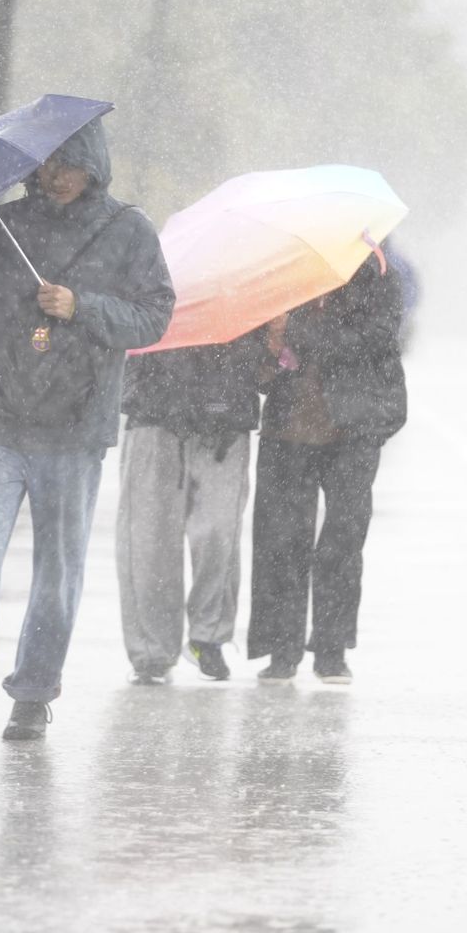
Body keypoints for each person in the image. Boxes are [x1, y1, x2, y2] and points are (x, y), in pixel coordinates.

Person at [0, 117, 174, 745]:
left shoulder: (128, 232)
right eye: (48, 167)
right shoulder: (0, 226)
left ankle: (32, 693)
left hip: (76, 432)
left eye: (69, 166)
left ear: (93, 166)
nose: (56, 178)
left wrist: (83, 307)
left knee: (57, 572)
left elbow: (155, 316)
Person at [248, 251, 407, 685]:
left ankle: (331, 650)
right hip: (288, 428)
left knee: (342, 540)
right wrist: (272, 343)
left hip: (352, 429)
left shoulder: (379, 276)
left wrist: (297, 332)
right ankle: (282, 650)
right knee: (281, 540)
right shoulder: (283, 278)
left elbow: (374, 339)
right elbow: (260, 367)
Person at [116, 338, 260, 683]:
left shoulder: (246, 287)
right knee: (150, 541)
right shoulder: (148, 285)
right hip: (154, 410)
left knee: (219, 531)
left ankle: (208, 635)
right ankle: (152, 651)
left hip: (226, 416)